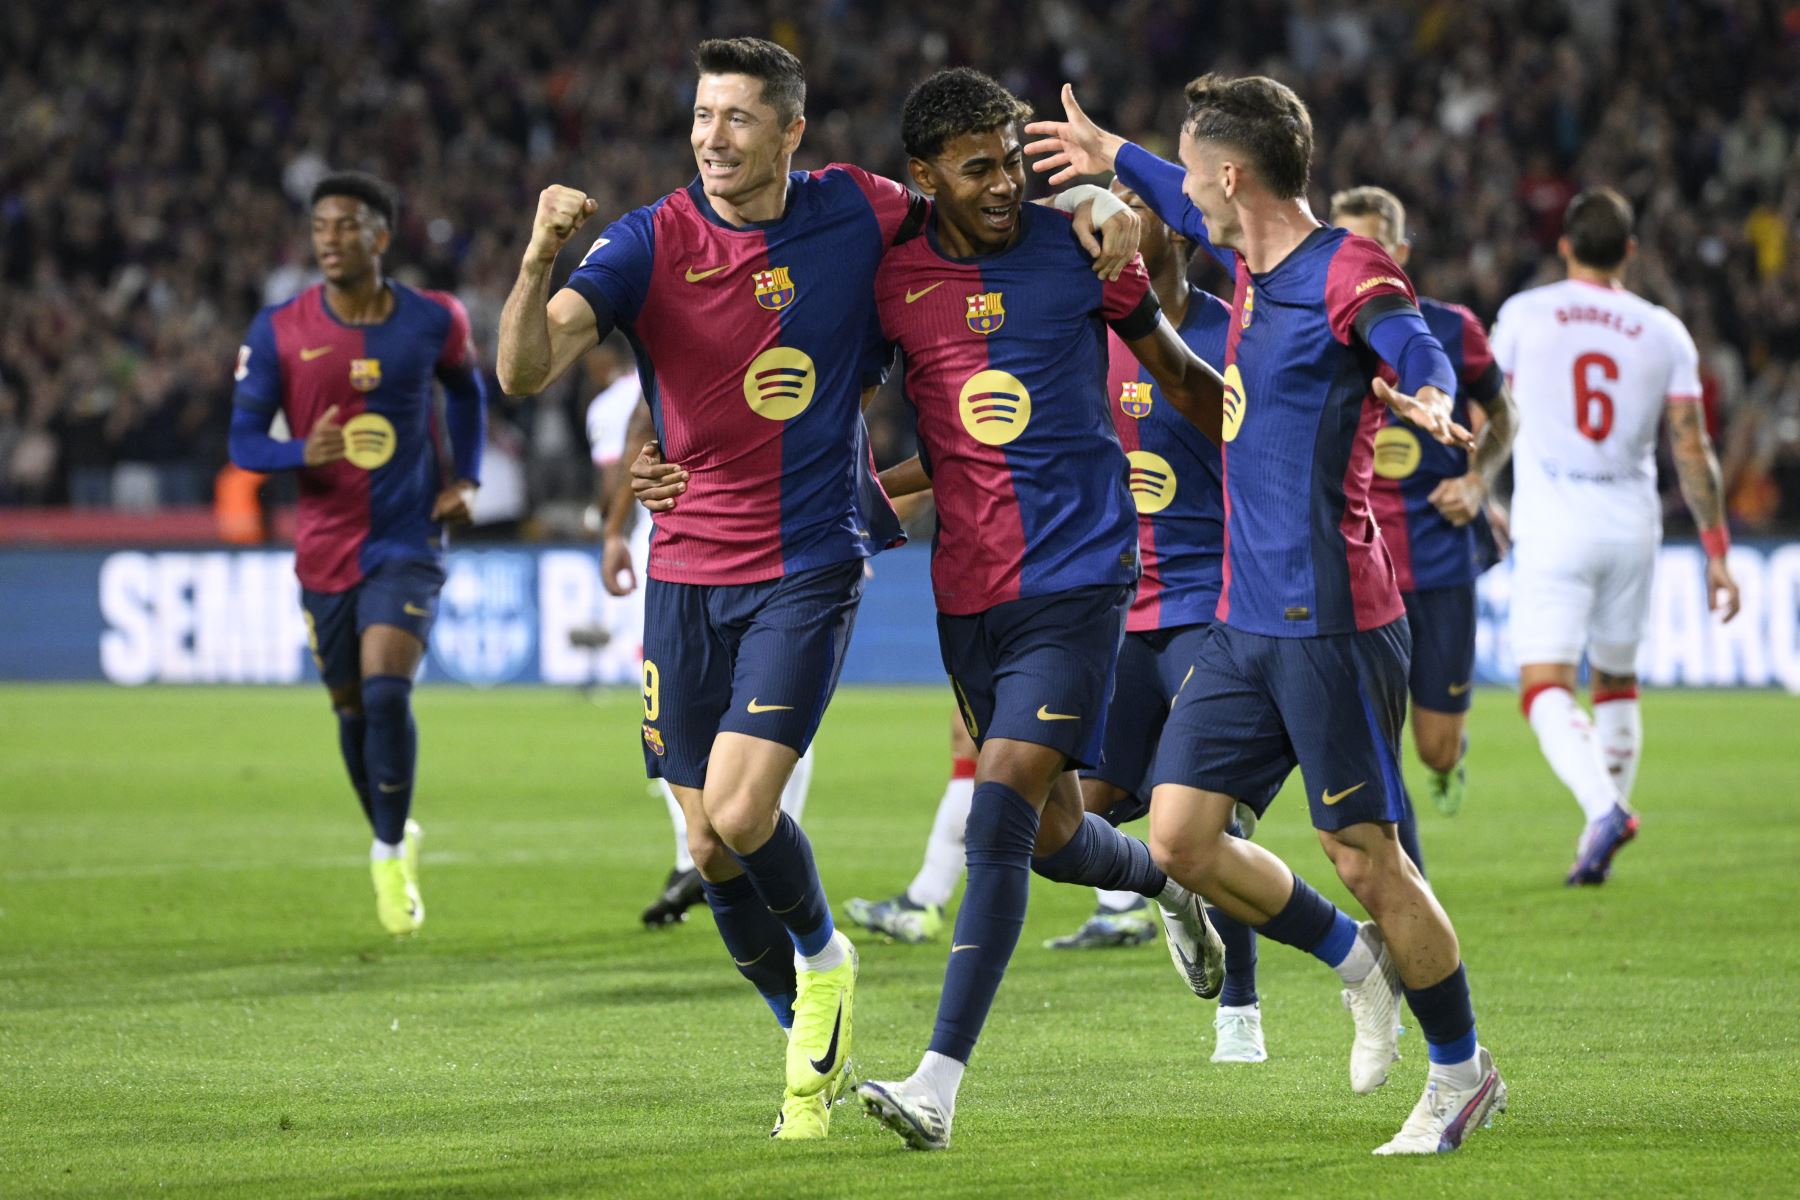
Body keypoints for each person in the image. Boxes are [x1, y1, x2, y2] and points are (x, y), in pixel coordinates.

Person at [497, 38, 1137, 1142]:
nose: (714, 137)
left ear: (791, 132)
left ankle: (826, 953)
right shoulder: (648, 242)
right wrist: (534, 259)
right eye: (703, 116)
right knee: (706, 846)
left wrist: (1101, 203)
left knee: (746, 812)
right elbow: (519, 371)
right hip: (686, 568)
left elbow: (976, 206)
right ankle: (807, 1021)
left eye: (739, 117)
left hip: (808, 558)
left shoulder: (857, 209)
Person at [1026, 75, 1506, 1156]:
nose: (1182, 190)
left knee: (1368, 855)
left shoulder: (1345, 264)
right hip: (1248, 616)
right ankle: (1361, 961)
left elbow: (1403, 331)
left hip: (1334, 616)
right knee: (1181, 836)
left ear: (1233, 175)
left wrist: (1428, 390)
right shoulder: (1248, 258)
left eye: (1194, 168)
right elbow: (1173, 192)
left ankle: (1461, 1071)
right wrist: (1112, 148)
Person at [845, 68, 1231, 1152]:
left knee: (1001, 801)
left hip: (1081, 579)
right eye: (980, 167)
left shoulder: (1080, 251)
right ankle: (1163, 874)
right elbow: (902, 428)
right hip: (969, 595)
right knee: (1061, 835)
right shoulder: (894, 280)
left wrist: (1262, 440)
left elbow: (1182, 369)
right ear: (926, 179)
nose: (1008, 181)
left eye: (1015, 158)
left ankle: (936, 1080)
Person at [227, 170, 486, 936]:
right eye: (320, 228)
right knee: (348, 709)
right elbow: (242, 442)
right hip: (324, 548)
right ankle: (389, 827)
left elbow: (467, 393)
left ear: (380, 234)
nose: (330, 240)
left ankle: (386, 848)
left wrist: (466, 477)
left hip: (406, 539)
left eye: (346, 225)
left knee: (384, 694)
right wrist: (305, 449)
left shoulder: (433, 320)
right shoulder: (278, 329)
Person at [1491, 186, 1739, 885]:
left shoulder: (1523, 315)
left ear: (1564, 244)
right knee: (1617, 681)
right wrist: (1717, 554)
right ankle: (1600, 827)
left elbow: (1492, 415)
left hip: (1554, 521)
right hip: (1632, 522)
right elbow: (1692, 451)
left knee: (1543, 685)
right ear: (1630, 250)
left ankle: (1604, 808)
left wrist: (1479, 488)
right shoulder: (1663, 330)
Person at [589, 380, 817, 928]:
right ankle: (728, 850)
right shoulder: (669, 355)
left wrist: (614, 529)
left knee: (750, 707)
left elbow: (635, 440)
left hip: (752, 546)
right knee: (694, 716)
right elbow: (641, 439)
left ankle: (742, 848)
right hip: (691, 554)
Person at [1329, 186, 1518, 820]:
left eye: (1374, 245)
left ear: (1401, 252)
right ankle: (1402, 883)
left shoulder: (1450, 329)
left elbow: (1504, 415)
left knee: (1434, 748)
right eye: (1347, 243)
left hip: (1437, 558)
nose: (1359, 258)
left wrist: (1477, 481)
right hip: (1355, 559)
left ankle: (1446, 764)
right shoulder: (1312, 328)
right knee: (1372, 748)